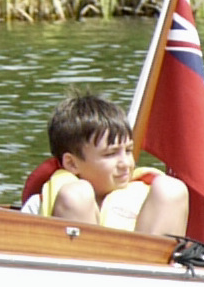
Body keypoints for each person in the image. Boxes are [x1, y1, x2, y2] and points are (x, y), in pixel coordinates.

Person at [20, 93, 190, 236]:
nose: (125, 163)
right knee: (76, 195)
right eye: (110, 154)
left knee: (171, 189)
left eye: (128, 151)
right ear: (72, 164)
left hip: (145, 263)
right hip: (76, 264)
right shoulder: (38, 205)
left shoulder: (151, 198)